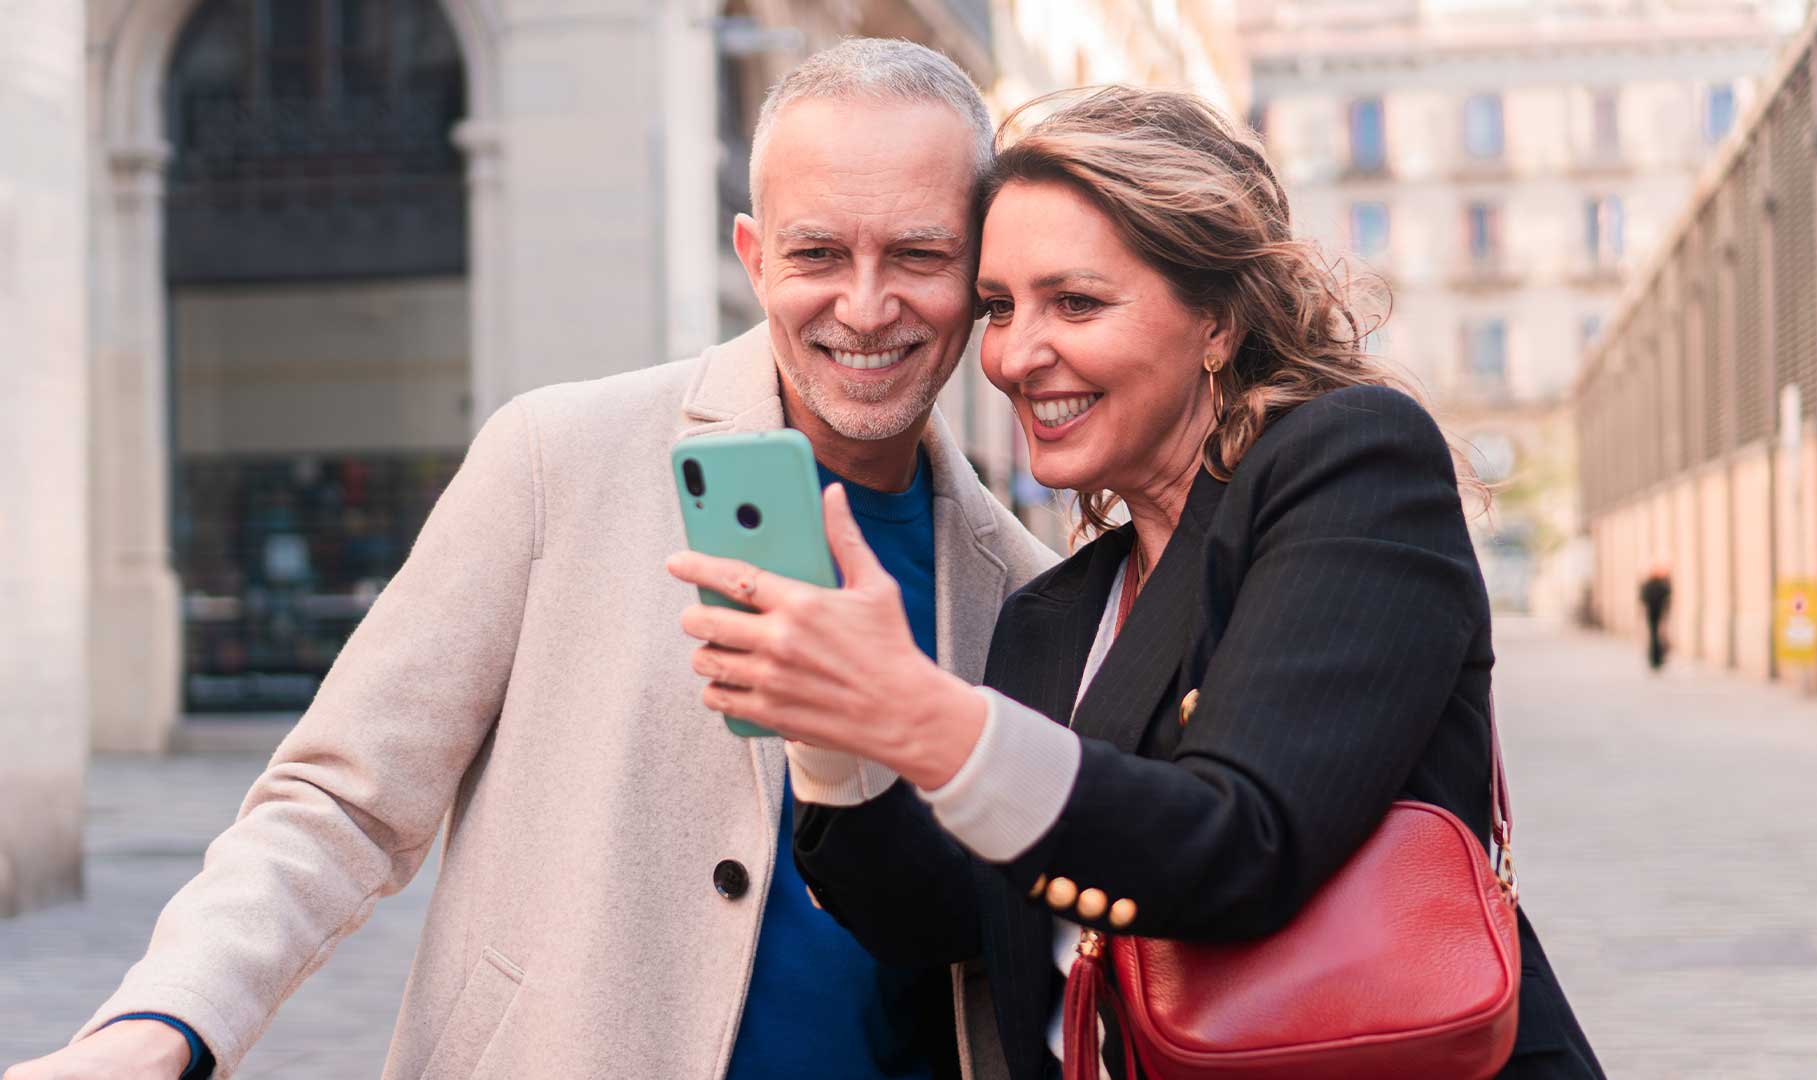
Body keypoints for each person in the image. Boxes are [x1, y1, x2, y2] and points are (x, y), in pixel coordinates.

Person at [5, 39, 1052, 1080]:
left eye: (917, 255)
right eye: (819, 253)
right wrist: (164, 1023)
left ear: (979, 272)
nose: (866, 307)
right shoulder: (561, 457)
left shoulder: (1028, 590)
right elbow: (339, 802)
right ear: (753, 255)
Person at [668, 86, 1605, 1079]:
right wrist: (831, 736)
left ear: (1216, 322)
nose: (1018, 355)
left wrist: (920, 713)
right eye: (998, 308)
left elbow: (1243, 841)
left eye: (1074, 302)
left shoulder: (1349, 463)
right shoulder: (1052, 612)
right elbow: (946, 916)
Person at [1640, 566, 1673, 670]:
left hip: (1653, 614)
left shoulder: (1650, 584)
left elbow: (1643, 598)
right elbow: (1667, 594)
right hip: (1657, 614)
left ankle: (1656, 659)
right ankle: (1656, 659)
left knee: (1654, 635)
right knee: (1656, 636)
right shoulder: (1659, 584)